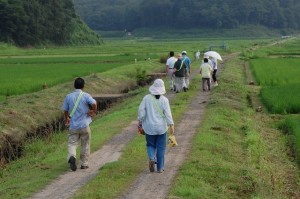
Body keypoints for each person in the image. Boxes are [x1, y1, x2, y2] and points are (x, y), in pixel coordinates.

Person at [138, 79, 174, 173]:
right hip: (161, 128)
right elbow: (168, 113)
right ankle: (160, 168)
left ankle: (151, 158)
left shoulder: (146, 98)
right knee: (161, 147)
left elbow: (141, 111)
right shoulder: (165, 100)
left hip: (149, 127)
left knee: (150, 145)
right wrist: (171, 124)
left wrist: (140, 120)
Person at [62, 77, 97, 171]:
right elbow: (94, 103)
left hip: (73, 125)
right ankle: (84, 163)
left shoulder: (68, 96)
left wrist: (67, 120)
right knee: (85, 144)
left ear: (74, 86)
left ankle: (72, 156)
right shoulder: (86, 96)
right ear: (83, 86)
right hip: (85, 124)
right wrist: (93, 111)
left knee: (72, 143)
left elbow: (65, 110)